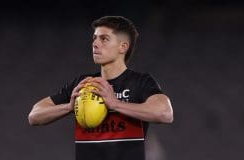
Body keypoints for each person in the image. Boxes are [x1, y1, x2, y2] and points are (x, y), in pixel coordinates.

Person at [28, 16, 173, 160]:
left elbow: (165, 114)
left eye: (104, 39)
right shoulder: (83, 84)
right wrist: (68, 107)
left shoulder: (140, 82)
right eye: (94, 38)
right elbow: (34, 116)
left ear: (123, 46)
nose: (95, 44)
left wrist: (115, 104)